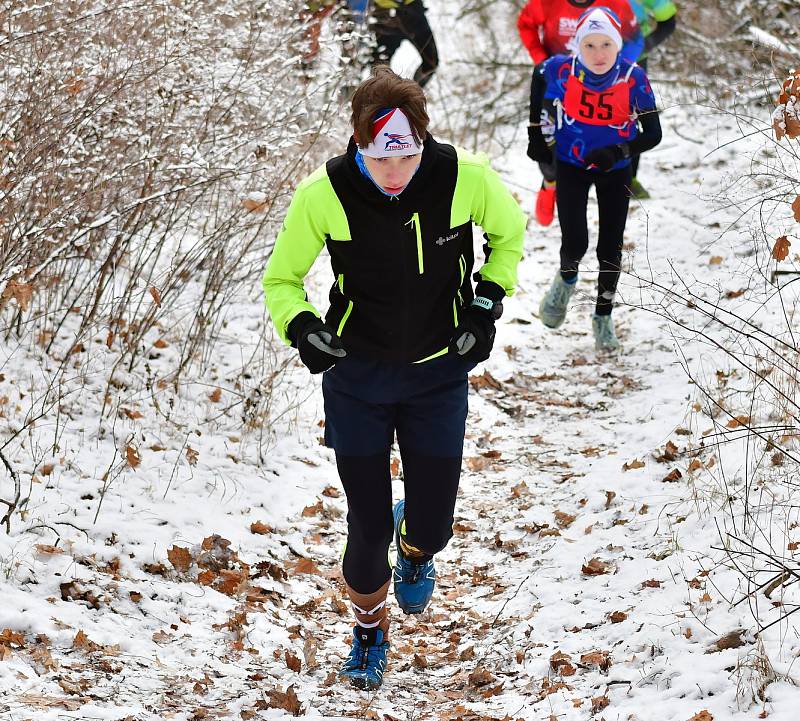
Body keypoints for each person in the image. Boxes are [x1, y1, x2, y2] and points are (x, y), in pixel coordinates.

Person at [262, 66, 525, 690]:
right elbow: (282, 279)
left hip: (438, 372)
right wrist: (303, 328)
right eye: (380, 160)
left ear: (423, 143)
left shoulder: (464, 178)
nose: (394, 175)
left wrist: (488, 301)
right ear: (358, 144)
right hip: (358, 376)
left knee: (431, 527)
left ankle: (415, 549)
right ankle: (369, 632)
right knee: (366, 524)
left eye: (405, 159)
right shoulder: (323, 195)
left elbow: (508, 235)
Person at [527, 6, 661, 350]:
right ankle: (566, 280)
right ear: (577, 47)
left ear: (618, 46)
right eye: (589, 46)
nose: (598, 54)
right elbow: (538, 77)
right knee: (575, 243)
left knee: (609, 249)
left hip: (614, 171)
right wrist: (536, 136)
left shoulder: (633, 77)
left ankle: (603, 316)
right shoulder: (561, 69)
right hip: (571, 165)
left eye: (606, 45)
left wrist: (619, 153)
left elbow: (653, 133)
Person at [518, 0, 643, 226]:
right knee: (548, 141)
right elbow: (525, 24)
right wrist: (541, 59)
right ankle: (549, 181)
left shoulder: (616, 4)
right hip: (559, 83)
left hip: (601, 85)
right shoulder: (545, 3)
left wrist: (615, 70)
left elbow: (635, 39)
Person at [627, 0, 677, 199]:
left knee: (633, 116)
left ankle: (630, 179)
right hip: (594, 59)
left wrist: (643, 46)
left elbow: (668, 22)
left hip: (635, 61)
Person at [370, 1, 439, 87]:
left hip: (413, 12)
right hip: (386, 14)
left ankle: (410, 96)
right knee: (379, 64)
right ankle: (380, 94)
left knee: (430, 63)